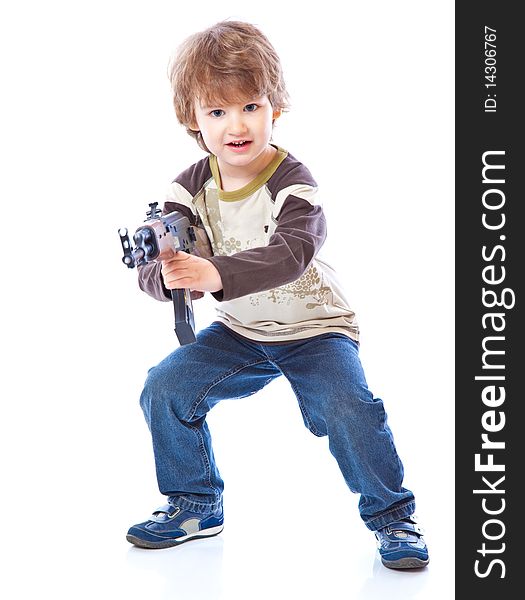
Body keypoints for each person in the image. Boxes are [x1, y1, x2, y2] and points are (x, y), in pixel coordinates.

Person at [126, 20, 429, 570]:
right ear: (192, 120)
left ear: (276, 109)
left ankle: (393, 518)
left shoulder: (293, 182)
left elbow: (291, 254)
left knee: (348, 408)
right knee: (165, 387)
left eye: (251, 107)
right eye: (216, 112)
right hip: (243, 332)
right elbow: (158, 268)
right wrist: (166, 275)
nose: (235, 125)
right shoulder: (185, 190)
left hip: (315, 329)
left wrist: (212, 273)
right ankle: (194, 504)